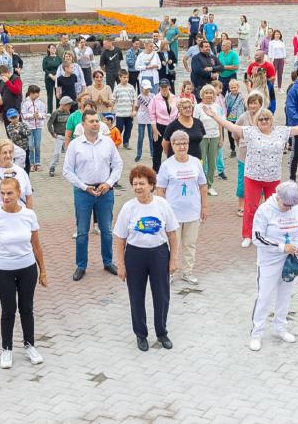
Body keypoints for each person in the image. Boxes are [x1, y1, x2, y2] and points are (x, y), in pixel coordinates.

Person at [204, 104, 298, 247]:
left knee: (274, 207)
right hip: (253, 177)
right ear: (256, 122)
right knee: (251, 207)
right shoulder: (250, 132)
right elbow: (230, 126)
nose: (264, 121)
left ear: (271, 120)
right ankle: (248, 235)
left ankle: (271, 233)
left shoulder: (280, 132)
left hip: (273, 178)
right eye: (261, 119)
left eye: (267, 119)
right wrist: (214, 116)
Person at [113, 164, 179, 351]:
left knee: (162, 296)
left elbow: (173, 235)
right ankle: (141, 334)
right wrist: (121, 265)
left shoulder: (162, 205)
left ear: (151, 185)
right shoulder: (128, 208)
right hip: (135, 255)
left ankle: (161, 332)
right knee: (136, 296)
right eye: (134, 184)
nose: (138, 187)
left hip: (159, 254)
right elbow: (119, 238)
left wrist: (173, 259)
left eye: (142, 183)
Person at [0, 176, 46, 369]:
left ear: (19, 193)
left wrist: (42, 270)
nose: (5, 197)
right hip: (3, 270)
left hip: (27, 268)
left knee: (27, 308)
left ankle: (29, 345)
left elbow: (36, 245)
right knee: (8, 310)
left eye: (9, 193)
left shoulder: (29, 215)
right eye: (2, 193)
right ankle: (7, 348)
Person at [247, 181, 298, 351]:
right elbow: (257, 238)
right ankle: (256, 333)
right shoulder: (265, 210)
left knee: (285, 296)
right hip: (269, 262)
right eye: (286, 205)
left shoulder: (297, 209)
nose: (289, 208)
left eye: (292, 205)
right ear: (278, 197)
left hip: (289, 261)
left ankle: (280, 327)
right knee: (264, 298)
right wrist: (281, 247)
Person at [63, 110, 123, 281]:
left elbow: (118, 165)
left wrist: (109, 183)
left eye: (97, 121)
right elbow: (66, 171)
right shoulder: (75, 145)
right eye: (91, 121)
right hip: (83, 192)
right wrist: (84, 186)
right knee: (82, 231)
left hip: (105, 191)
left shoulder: (108, 142)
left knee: (107, 230)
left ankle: (108, 261)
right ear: (83, 125)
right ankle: (81, 265)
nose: (95, 124)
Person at [155, 131, 207, 284]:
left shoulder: (195, 162)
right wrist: (161, 210)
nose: (182, 146)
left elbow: (203, 185)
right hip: (173, 214)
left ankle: (187, 272)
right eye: (178, 144)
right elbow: (160, 189)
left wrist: (204, 206)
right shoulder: (166, 165)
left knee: (190, 244)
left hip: (192, 211)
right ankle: (170, 271)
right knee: (172, 245)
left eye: (184, 143)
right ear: (172, 145)